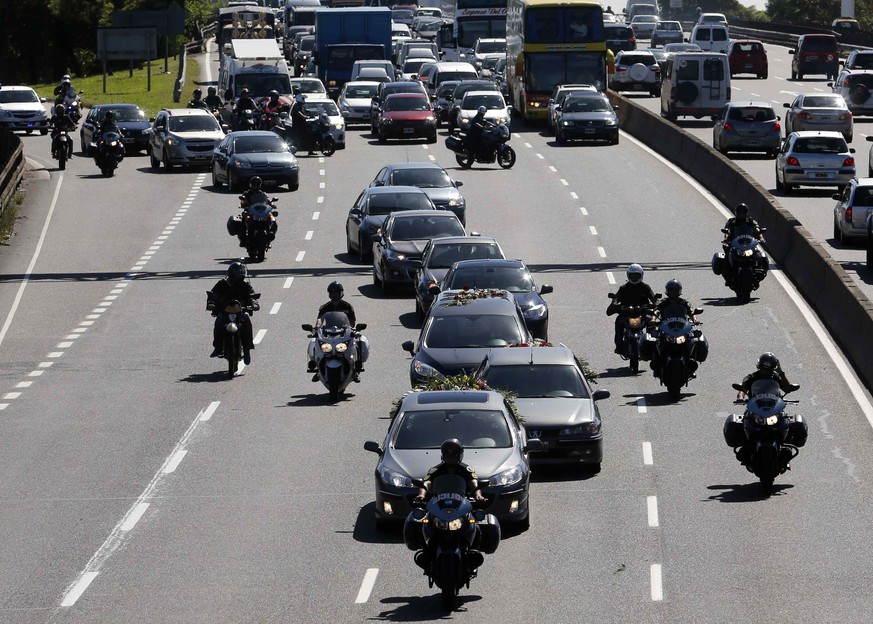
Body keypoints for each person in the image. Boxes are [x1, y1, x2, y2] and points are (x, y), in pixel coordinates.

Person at [412, 439, 486, 572]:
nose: (450, 458)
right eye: (447, 455)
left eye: (453, 455)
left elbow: (474, 483)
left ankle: (473, 553)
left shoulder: (466, 470)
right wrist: (421, 495)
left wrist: (478, 496)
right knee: (425, 523)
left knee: (474, 524)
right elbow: (427, 482)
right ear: (443, 456)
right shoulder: (436, 470)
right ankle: (426, 553)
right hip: (439, 505)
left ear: (459, 456)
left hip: (459, 505)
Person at [307, 281, 368, 381]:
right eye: (332, 292)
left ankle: (356, 369)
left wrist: (352, 329)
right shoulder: (325, 307)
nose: (334, 295)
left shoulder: (347, 307)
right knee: (314, 342)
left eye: (336, 292)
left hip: (343, 332)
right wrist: (316, 329)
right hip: (328, 333)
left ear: (341, 293)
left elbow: (352, 322)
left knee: (359, 342)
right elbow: (319, 320)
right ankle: (317, 368)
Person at [207, 262, 259, 365]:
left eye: (242, 273)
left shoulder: (245, 285)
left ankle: (247, 350)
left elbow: (251, 295)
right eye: (239, 273)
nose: (241, 275)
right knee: (219, 321)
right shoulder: (222, 283)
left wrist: (254, 304)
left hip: (240, 312)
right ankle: (218, 347)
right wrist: (211, 303)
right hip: (224, 311)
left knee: (247, 322)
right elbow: (213, 295)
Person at [607, 263, 657, 354]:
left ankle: (652, 344)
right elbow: (616, 298)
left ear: (641, 275)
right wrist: (615, 303)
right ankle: (619, 345)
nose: (634, 277)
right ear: (628, 275)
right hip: (627, 313)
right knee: (619, 321)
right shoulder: (623, 288)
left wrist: (655, 304)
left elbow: (654, 299)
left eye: (636, 275)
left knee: (652, 322)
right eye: (632, 275)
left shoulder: (645, 287)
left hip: (642, 313)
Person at [237, 176, 277, 247]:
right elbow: (242, 202)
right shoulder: (246, 193)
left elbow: (268, 200)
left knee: (272, 218)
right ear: (251, 184)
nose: (256, 186)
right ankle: (243, 239)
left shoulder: (263, 193)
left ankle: (270, 235)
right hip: (250, 211)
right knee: (243, 219)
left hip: (261, 211)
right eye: (254, 184)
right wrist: (244, 203)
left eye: (257, 184)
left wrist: (272, 204)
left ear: (260, 184)